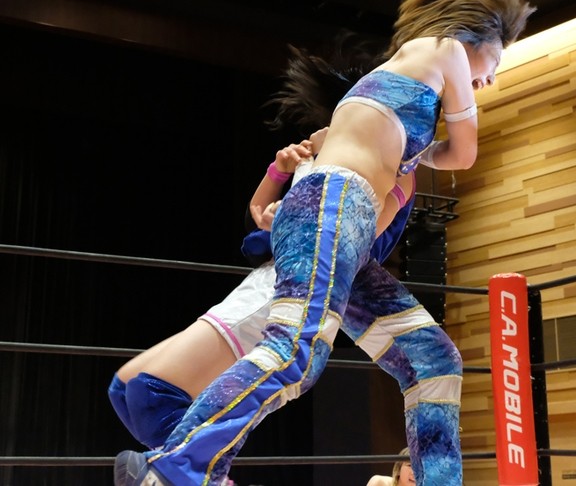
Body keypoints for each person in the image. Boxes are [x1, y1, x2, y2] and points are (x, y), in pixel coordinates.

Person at [115, 0, 535, 486]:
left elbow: (431, 159)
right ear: (476, 35)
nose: (490, 78)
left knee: (433, 359)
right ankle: (175, 468)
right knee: (296, 350)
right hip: (333, 207)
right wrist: (437, 134)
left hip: (347, 232)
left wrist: (413, 151)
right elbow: (463, 155)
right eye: (495, 62)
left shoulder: (403, 92)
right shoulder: (442, 49)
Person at [108, 130, 417, 452]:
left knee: (152, 395)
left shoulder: (394, 167)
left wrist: (288, 219)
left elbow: (354, 240)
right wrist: (279, 171)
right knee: (125, 388)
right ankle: (191, 466)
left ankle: (192, 469)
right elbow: (257, 217)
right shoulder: (333, 140)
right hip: (270, 277)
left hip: (297, 286)